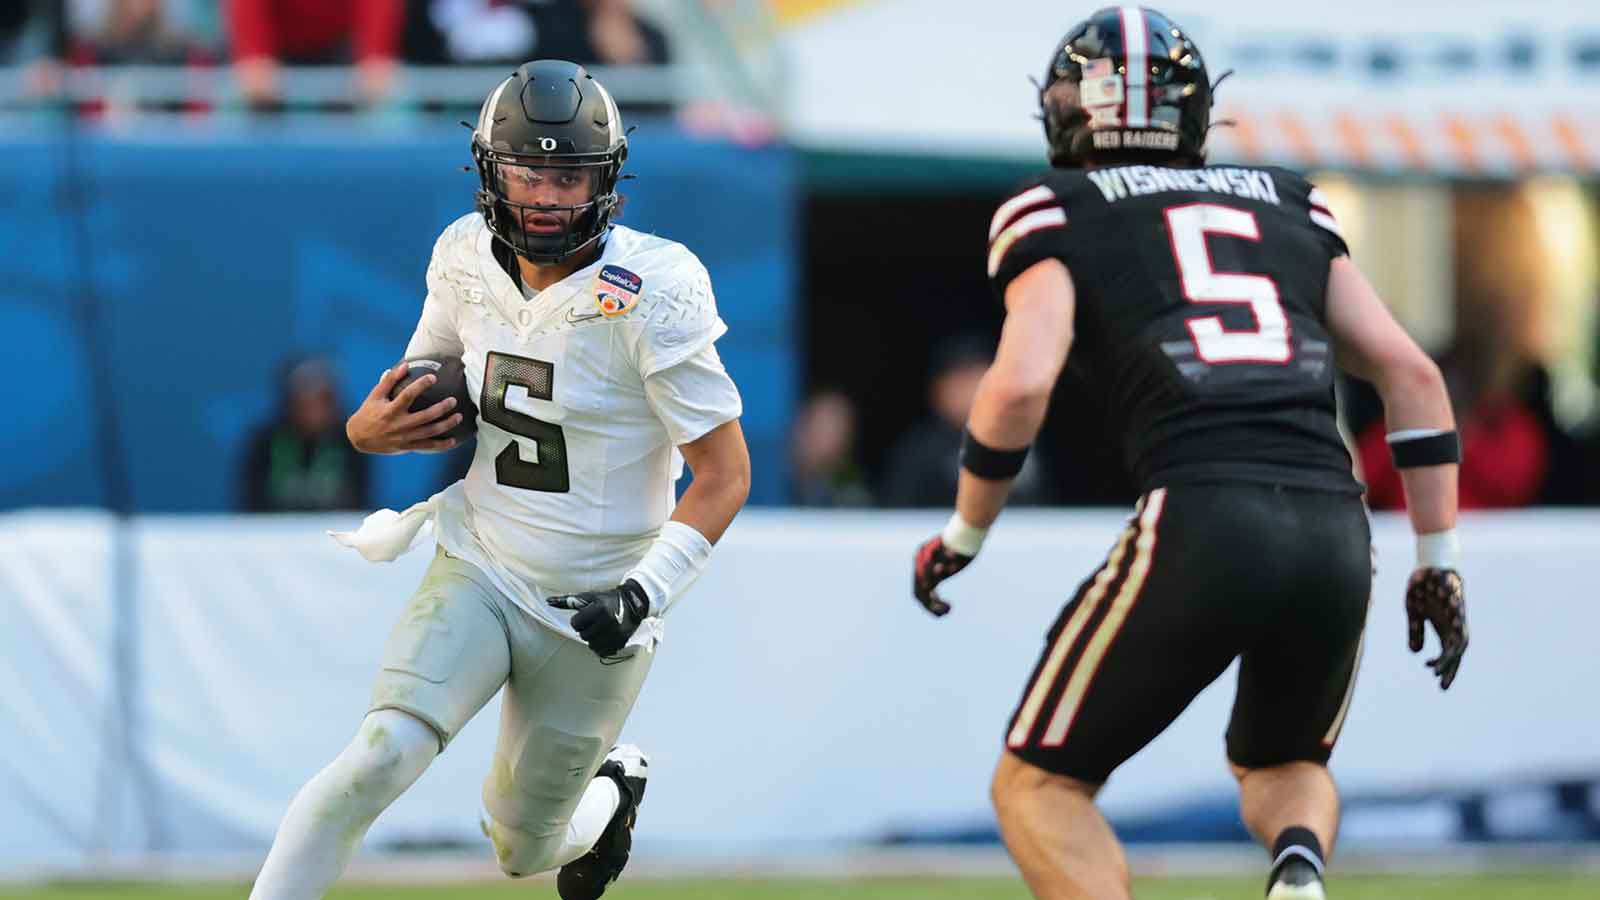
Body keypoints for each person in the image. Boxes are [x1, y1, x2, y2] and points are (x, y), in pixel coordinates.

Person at [909, 8, 1469, 900]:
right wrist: (1438, 560)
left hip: (1203, 508)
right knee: (1283, 762)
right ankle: (1298, 870)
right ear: (1195, 113)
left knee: (1040, 785)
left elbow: (1019, 385)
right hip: (1336, 518)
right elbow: (1411, 374)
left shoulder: (1051, 207)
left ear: (1069, 109)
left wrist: (964, 535)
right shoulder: (1292, 200)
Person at [249, 59, 750, 900]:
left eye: (568, 174)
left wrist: (640, 594)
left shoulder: (654, 288)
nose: (548, 195)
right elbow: (423, 384)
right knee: (375, 759)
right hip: (482, 561)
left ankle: (614, 790)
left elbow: (725, 474)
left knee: (524, 849)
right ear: (490, 170)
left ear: (607, 178)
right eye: (528, 170)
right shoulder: (462, 258)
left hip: (597, 603)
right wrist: (363, 431)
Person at [881, 336, 1052, 507]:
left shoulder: (1020, 440)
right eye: (961, 382)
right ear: (938, 391)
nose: (971, 392)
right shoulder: (918, 450)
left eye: (978, 378)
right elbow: (900, 516)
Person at [238, 355, 370, 513]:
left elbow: (359, 503)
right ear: (289, 403)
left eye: (322, 401)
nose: (314, 413)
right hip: (273, 534)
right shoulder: (264, 442)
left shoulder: (352, 441)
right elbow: (251, 504)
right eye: (305, 403)